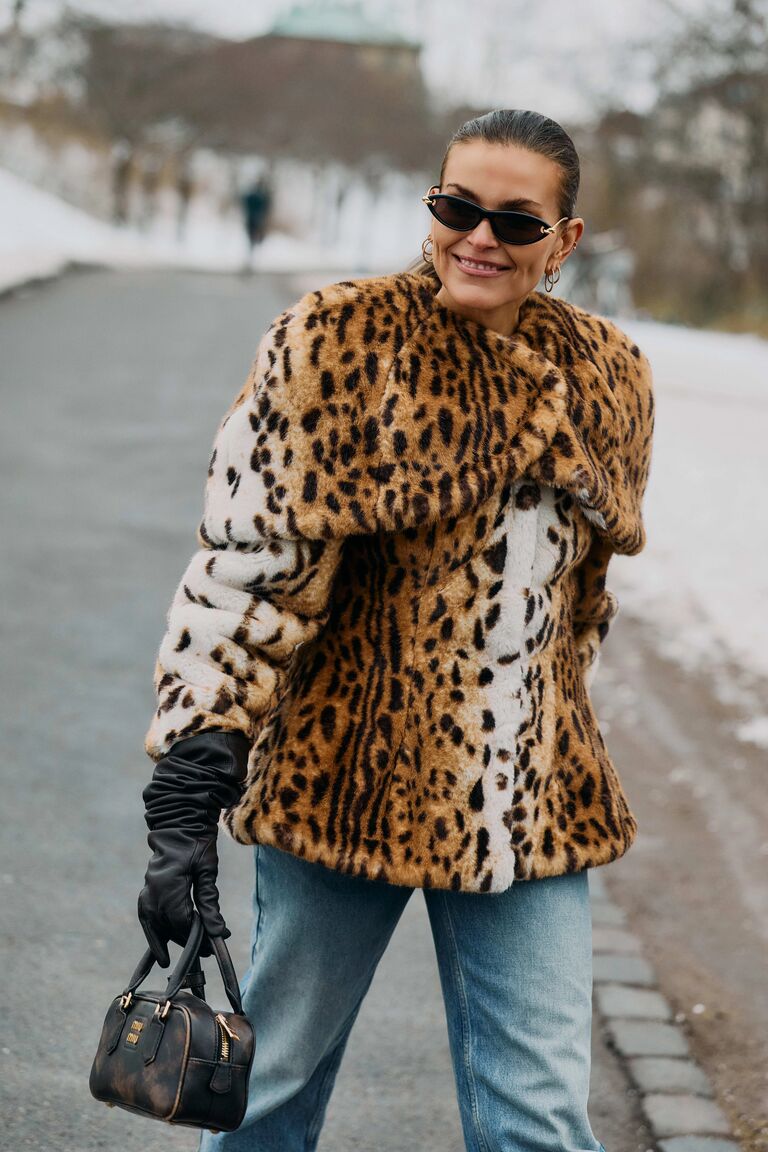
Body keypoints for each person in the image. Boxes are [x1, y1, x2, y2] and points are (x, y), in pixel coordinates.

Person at [137, 108, 655, 1152]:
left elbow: (583, 600)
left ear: (565, 240)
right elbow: (245, 571)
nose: (480, 238)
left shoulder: (610, 373)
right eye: (457, 207)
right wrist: (193, 779)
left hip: (530, 799)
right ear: (432, 205)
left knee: (542, 1120)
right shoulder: (337, 341)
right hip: (346, 784)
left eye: (516, 221)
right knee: (269, 1096)